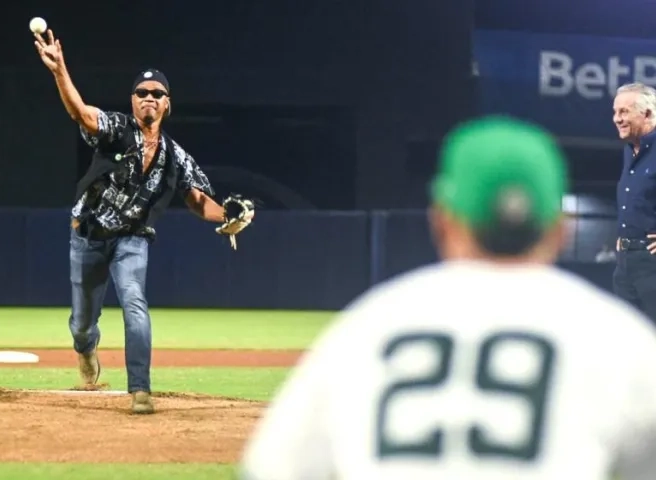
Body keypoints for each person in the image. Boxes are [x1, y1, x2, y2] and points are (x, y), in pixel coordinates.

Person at [239, 116, 656, 479]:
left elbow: (272, 469)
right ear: (560, 228)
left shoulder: (372, 323)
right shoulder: (614, 335)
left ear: (441, 220)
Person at [33, 29, 254, 414]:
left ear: (167, 104)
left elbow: (198, 200)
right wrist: (59, 70)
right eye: (142, 92)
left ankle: (140, 389)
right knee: (83, 322)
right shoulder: (117, 129)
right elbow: (81, 112)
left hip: (132, 239)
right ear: (133, 100)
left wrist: (227, 215)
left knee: (135, 302)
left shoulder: (175, 156)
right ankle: (86, 350)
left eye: (157, 93)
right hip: (88, 235)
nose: (149, 97)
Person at [612, 82, 656, 322]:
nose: (617, 119)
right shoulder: (629, 150)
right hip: (625, 264)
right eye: (615, 112)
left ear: (647, 114)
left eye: (624, 112)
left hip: (652, 264)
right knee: (626, 334)